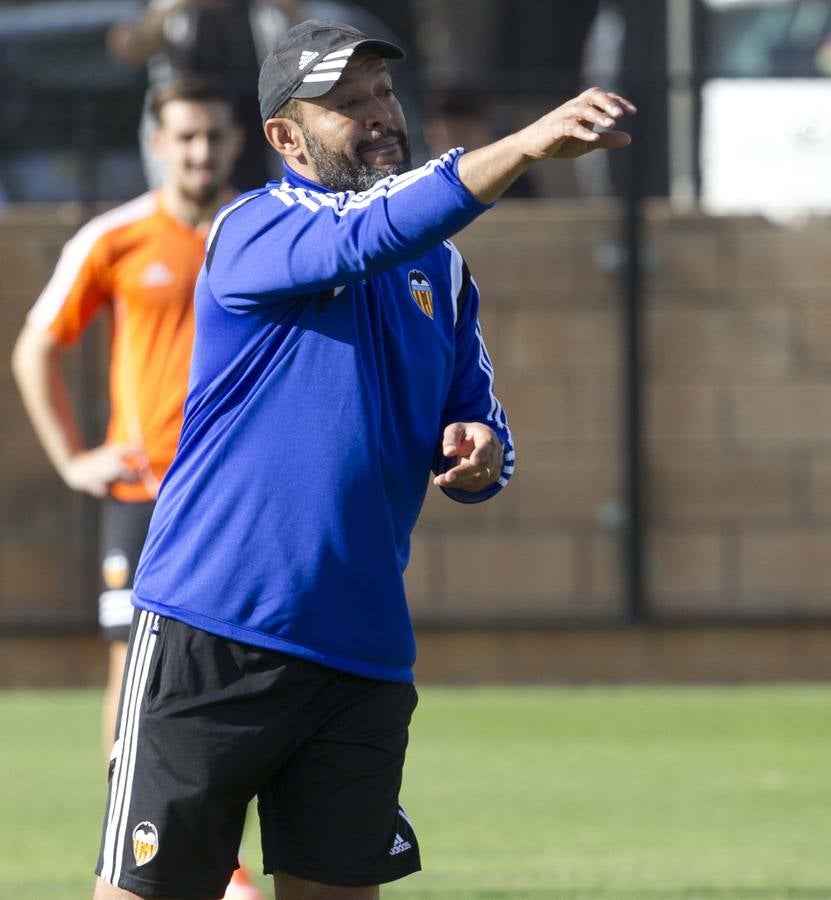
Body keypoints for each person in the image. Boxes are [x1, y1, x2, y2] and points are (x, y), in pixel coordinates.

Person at [91, 19, 634, 900]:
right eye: (346, 104)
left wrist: (480, 451)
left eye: (382, 93)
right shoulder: (254, 229)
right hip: (213, 628)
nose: (379, 115)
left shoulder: (444, 273)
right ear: (284, 137)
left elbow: (483, 425)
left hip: (362, 655)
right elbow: (364, 235)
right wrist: (526, 145)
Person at [14, 77, 264, 900]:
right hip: (146, 500)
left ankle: (222, 852)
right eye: (185, 137)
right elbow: (34, 349)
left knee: (245, 675)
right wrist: (72, 460)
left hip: (238, 499)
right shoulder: (114, 238)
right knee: (135, 676)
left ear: (237, 141)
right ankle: (172, 860)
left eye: (213, 137)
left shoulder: (258, 230)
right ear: (157, 142)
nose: (199, 152)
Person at [108, 0, 302, 190]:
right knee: (186, 198)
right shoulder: (169, 9)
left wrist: (288, 9)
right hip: (187, 122)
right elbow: (128, 50)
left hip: (256, 127)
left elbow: (307, 53)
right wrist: (170, 7)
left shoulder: (267, 11)